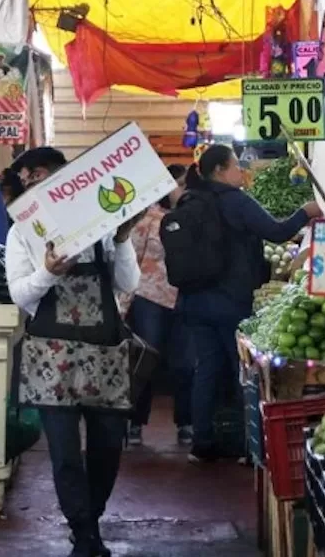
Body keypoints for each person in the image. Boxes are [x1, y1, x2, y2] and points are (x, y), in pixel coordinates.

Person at [5, 146, 143, 557]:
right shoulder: (21, 233)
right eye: (32, 178)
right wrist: (48, 272)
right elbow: (19, 294)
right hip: (51, 355)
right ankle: (83, 532)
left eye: (46, 175)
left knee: (107, 446)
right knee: (64, 452)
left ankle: (92, 516)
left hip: (104, 353)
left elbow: (127, 282)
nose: (38, 183)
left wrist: (121, 240)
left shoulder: (100, 224)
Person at [175, 144, 322, 463]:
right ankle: (247, 446)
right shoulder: (235, 201)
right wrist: (306, 212)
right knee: (243, 371)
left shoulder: (191, 200)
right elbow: (277, 231)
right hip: (229, 300)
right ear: (219, 171)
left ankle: (202, 442)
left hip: (194, 301)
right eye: (235, 166)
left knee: (207, 369)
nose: (241, 171)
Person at [124, 163, 192, 446]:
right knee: (145, 359)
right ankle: (134, 422)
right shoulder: (145, 218)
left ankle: (186, 422)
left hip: (184, 296)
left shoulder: (191, 216)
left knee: (184, 362)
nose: (183, 189)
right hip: (148, 297)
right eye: (178, 183)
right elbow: (129, 259)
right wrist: (123, 302)